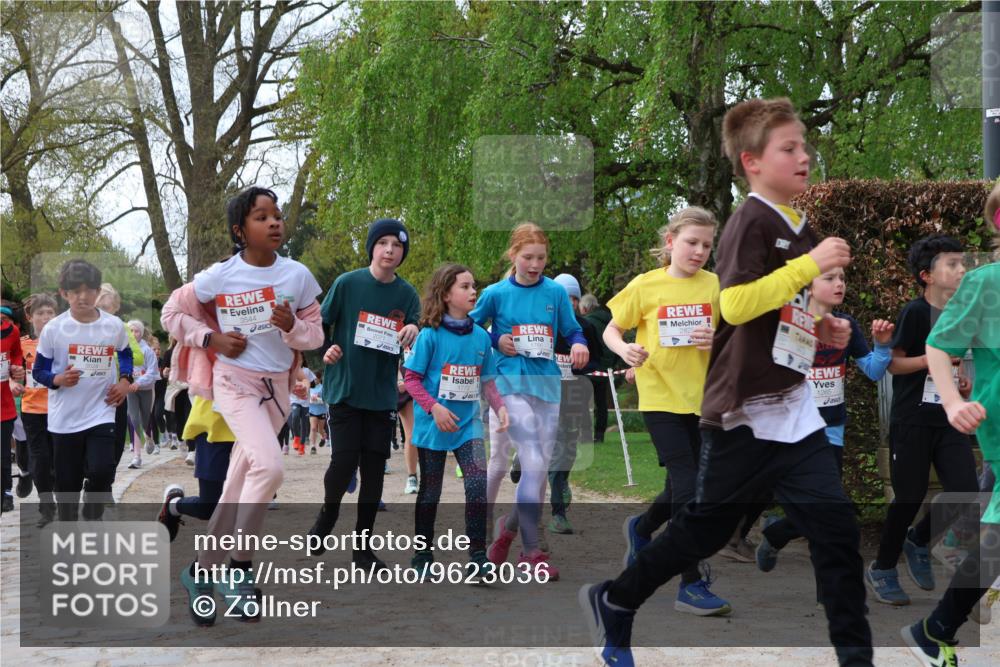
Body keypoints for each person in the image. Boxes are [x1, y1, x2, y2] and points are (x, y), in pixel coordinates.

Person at [580, 97, 873, 667]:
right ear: (752, 162)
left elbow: (779, 311)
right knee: (699, 531)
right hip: (743, 416)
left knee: (837, 536)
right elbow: (737, 304)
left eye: (804, 145)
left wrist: (823, 325)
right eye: (788, 148)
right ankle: (616, 600)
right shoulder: (750, 220)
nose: (804, 156)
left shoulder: (798, 224)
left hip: (794, 410)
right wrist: (810, 267)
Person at [164, 186, 323, 625]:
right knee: (270, 469)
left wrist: (293, 327)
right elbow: (171, 315)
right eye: (261, 216)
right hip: (233, 384)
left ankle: (199, 572)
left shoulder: (298, 275)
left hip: (276, 389)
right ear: (240, 230)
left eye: (277, 215)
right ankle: (239, 570)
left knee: (238, 485)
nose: (274, 222)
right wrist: (210, 338)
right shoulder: (219, 276)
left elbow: (316, 335)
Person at [605, 206, 730, 615]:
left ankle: (641, 528)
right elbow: (611, 329)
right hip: (659, 398)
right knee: (691, 485)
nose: (699, 252)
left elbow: (732, 332)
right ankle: (689, 583)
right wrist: (625, 348)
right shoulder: (646, 285)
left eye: (707, 245)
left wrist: (717, 338)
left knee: (686, 486)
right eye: (692, 242)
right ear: (671, 241)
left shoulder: (714, 285)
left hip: (705, 401)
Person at [900, 183, 1000, 665]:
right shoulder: (986, 284)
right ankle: (935, 626)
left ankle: (935, 628)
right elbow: (940, 347)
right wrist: (952, 402)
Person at [756, 266, 894, 603]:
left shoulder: (846, 326)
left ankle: (779, 534)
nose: (839, 285)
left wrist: (882, 345)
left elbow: (874, 371)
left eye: (843, 279)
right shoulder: (789, 323)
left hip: (831, 429)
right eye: (830, 279)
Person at [867, 234, 979, 606]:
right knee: (910, 496)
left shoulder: (960, 314)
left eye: (962, 263)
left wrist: (959, 384)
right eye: (952, 264)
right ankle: (883, 567)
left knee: (967, 490)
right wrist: (931, 361)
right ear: (926, 276)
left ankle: (918, 539)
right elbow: (893, 364)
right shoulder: (916, 313)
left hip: (948, 418)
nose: (961, 269)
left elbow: (953, 366)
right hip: (912, 419)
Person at [474, 222, 589, 580]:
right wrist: (497, 340)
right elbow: (471, 328)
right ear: (513, 255)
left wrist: (579, 343)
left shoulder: (555, 292)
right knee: (524, 461)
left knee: (536, 473)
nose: (535, 264)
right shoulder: (495, 293)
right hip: (508, 384)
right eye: (528, 257)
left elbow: (571, 328)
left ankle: (506, 536)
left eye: (541, 257)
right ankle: (526, 550)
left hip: (547, 387)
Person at [306, 218, 420, 571]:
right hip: (344, 389)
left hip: (381, 394)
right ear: (372, 247)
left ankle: (362, 549)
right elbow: (318, 327)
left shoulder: (406, 294)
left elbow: (416, 323)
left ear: (402, 253)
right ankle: (328, 513)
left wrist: (414, 327)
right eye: (383, 242)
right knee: (343, 462)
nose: (390, 250)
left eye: (397, 245)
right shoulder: (347, 283)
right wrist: (325, 349)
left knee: (373, 471)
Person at [403, 263, 509, 577]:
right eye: (465, 286)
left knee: (476, 483)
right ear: (447, 294)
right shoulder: (430, 335)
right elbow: (411, 379)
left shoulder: (481, 337)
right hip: (433, 425)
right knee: (431, 490)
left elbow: (488, 381)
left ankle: (477, 557)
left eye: (473, 285)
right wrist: (434, 408)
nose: (473, 291)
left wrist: (500, 407)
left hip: (468, 426)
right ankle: (422, 553)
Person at [33, 260, 133, 520]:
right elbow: (38, 372)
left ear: (98, 291)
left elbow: (125, 354)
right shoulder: (54, 329)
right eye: (75, 291)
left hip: (101, 411)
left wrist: (124, 381)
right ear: (64, 293)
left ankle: (94, 499)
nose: (83, 297)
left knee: (102, 471)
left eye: (89, 290)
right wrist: (58, 379)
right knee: (67, 485)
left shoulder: (113, 325)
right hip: (64, 419)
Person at [547, 273, 601, 536]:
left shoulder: (586, 328)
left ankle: (558, 513)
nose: (568, 303)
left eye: (573, 298)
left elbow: (597, 362)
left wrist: (580, 364)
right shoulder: (543, 325)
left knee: (565, 450)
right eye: (563, 297)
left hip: (573, 396)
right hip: (544, 395)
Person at [16, 293, 58, 525]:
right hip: (32, 408)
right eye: (40, 313)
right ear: (30, 317)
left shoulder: (62, 342)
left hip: (61, 408)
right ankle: (46, 505)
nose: (45, 318)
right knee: (39, 458)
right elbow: (13, 373)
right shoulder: (22, 344)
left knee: (59, 458)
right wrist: (16, 381)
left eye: (50, 313)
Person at [580, 293, 616, 443]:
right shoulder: (610, 321)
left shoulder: (587, 323)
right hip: (606, 368)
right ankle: (600, 434)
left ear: (586, 308)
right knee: (601, 403)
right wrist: (611, 363)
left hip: (590, 367)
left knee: (583, 403)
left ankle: (586, 434)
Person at [1, 303, 26, 513]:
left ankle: (6, 492)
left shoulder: (11, 331)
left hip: (4, 404)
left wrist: (16, 368)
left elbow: (16, 354)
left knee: (2, 453)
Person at [125, 320, 160, 468]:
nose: (133, 334)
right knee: (134, 419)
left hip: (146, 390)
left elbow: (152, 372)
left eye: (136, 331)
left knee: (145, 419)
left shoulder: (148, 351)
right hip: (131, 391)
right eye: (131, 331)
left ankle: (149, 436)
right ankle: (137, 457)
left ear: (141, 332)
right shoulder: (125, 350)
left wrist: (139, 382)